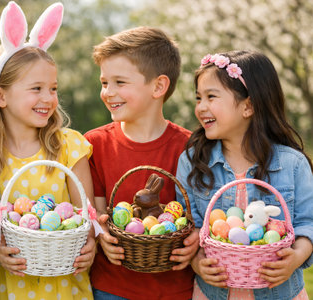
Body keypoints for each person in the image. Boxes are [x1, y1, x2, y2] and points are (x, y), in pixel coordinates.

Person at [0, 2, 96, 299]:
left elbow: (86, 218)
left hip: (66, 289)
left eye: (53, 88)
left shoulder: (67, 146)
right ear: (0, 95)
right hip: (11, 288)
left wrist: (92, 243)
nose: (48, 98)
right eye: (36, 88)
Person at [176, 50, 313, 300]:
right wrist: (197, 262)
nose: (201, 107)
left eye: (211, 97)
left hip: (280, 294)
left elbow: (308, 223)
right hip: (212, 294)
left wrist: (296, 257)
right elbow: (190, 227)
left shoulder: (293, 165)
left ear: (248, 106)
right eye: (198, 98)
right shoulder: (193, 162)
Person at [84, 26, 198, 300]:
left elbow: (195, 215)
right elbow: (99, 215)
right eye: (104, 82)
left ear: (158, 86)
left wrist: (196, 239)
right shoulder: (95, 144)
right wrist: (102, 237)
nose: (108, 92)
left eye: (120, 83)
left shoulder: (190, 147)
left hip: (175, 289)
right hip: (111, 287)